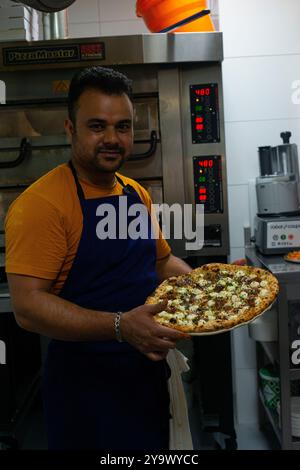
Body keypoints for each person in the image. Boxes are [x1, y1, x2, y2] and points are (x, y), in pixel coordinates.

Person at [5, 66, 192, 451]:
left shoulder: (134, 193)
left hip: (145, 379)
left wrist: (208, 288)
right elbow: (28, 307)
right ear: (70, 129)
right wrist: (122, 326)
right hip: (86, 394)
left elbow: (159, 263)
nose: (112, 138)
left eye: (122, 126)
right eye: (97, 126)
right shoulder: (42, 204)